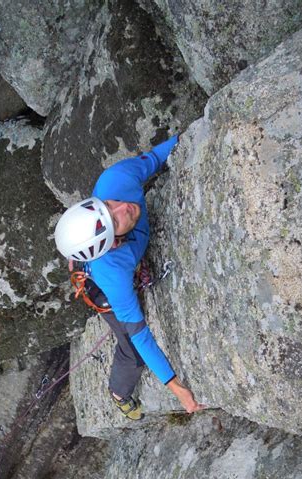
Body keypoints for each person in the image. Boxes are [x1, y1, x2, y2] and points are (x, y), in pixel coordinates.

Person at [54, 135, 205, 420]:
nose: (123, 208)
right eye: (115, 219)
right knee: (132, 351)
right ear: (111, 243)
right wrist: (177, 387)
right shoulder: (111, 274)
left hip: (111, 257)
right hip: (97, 284)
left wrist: (189, 135)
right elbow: (139, 334)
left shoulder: (115, 181)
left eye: (108, 206)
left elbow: (156, 158)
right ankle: (119, 393)